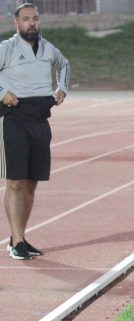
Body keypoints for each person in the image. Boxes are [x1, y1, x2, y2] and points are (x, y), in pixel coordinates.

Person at [1, 3, 70, 260]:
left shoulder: (48, 48)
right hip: (15, 120)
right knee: (15, 182)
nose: (32, 23)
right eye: (26, 19)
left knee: (31, 183)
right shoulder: (7, 49)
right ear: (16, 23)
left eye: (35, 18)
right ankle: (16, 241)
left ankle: (19, 236)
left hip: (41, 120)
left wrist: (62, 88)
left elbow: (65, 64)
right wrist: (2, 93)